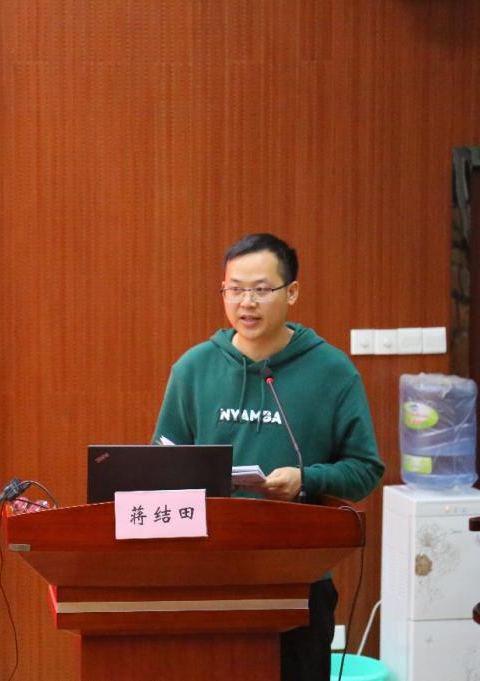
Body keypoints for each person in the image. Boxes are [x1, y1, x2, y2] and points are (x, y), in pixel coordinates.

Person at [152, 233, 384, 681]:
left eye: (261, 289)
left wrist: (306, 479)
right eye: (235, 289)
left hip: (298, 575)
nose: (247, 302)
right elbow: (160, 466)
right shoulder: (193, 369)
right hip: (207, 572)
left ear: (291, 292)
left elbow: (365, 469)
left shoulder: (332, 371)